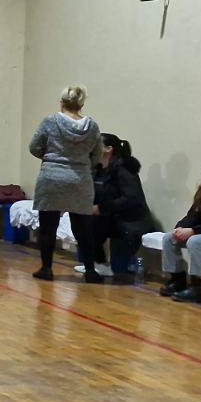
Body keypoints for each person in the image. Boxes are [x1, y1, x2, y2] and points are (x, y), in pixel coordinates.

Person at [29, 85, 103, 282]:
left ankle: (46, 268)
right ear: (82, 103)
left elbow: (34, 147)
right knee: (83, 228)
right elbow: (97, 155)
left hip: (51, 177)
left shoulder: (50, 121)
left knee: (48, 226)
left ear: (62, 101)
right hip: (80, 178)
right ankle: (90, 270)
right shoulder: (92, 126)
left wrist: (51, 158)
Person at [89, 134, 150, 281]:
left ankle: (105, 265)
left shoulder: (124, 169)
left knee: (119, 270)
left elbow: (131, 198)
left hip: (128, 220)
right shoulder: (98, 169)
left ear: (108, 149)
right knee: (83, 221)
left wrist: (100, 208)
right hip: (110, 217)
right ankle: (98, 263)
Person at [159, 159, 201, 303]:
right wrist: (180, 227)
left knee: (196, 241)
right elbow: (192, 215)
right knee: (169, 237)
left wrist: (193, 231)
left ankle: (199, 288)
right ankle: (177, 280)